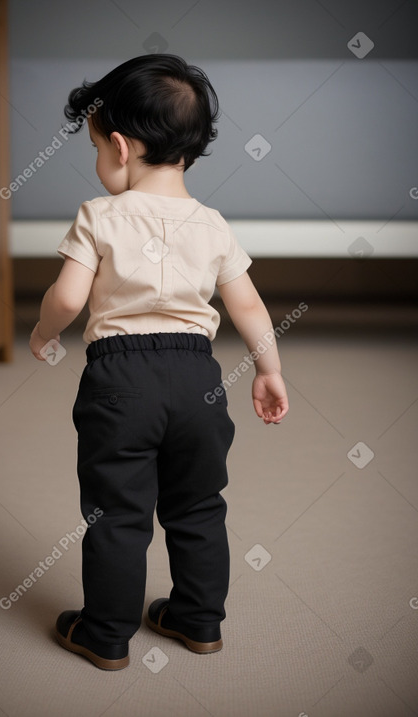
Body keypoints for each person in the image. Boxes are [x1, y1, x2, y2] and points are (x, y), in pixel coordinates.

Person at [29, 54, 289, 671]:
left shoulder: (100, 215)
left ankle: (106, 633)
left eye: (95, 148)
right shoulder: (213, 224)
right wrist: (268, 369)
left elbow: (68, 296)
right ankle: (198, 622)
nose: (98, 163)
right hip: (200, 378)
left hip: (121, 378)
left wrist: (44, 333)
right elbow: (248, 305)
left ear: (120, 146)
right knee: (199, 505)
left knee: (117, 513)